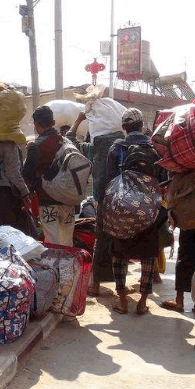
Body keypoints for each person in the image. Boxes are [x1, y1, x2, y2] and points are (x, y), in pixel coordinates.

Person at [104, 108, 166, 315]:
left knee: (119, 253)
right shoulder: (154, 148)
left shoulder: (116, 148)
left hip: (122, 206)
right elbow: (162, 178)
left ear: (123, 127)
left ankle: (122, 301)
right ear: (141, 126)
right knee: (149, 253)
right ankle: (142, 302)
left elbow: (110, 179)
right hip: (149, 209)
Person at [67, 106, 126, 296]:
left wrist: (78, 120)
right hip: (124, 200)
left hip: (102, 199)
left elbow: (70, 141)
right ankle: (120, 287)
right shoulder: (127, 147)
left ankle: (97, 285)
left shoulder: (95, 149)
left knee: (101, 240)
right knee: (120, 241)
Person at [22, 106, 74, 246]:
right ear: (53, 122)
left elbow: (26, 173)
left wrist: (31, 190)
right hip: (69, 201)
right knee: (67, 242)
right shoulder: (67, 143)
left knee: (52, 243)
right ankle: (70, 268)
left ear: (36, 124)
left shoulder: (35, 146)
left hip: (48, 202)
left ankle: (55, 268)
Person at [0, 140, 32, 234]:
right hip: (7, 193)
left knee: (0, 229)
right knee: (14, 231)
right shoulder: (9, 144)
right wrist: (25, 192)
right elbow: (13, 173)